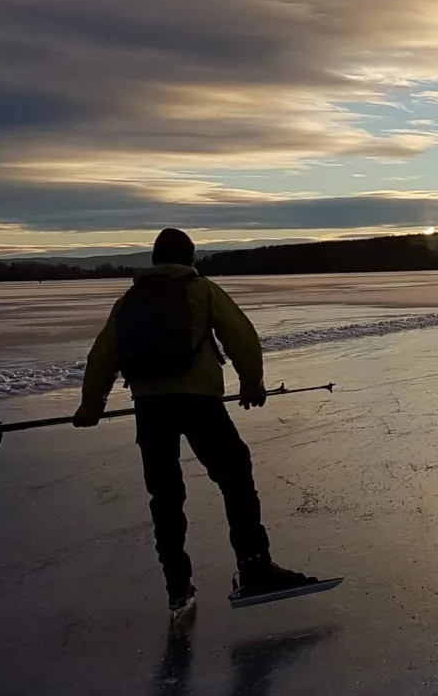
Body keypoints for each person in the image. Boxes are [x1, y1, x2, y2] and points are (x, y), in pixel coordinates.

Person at [74, 228, 321, 612]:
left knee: (165, 494)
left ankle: (177, 582)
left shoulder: (129, 300)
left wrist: (91, 407)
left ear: (154, 260)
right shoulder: (201, 290)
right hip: (199, 401)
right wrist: (251, 384)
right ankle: (254, 567)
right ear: (191, 258)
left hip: (150, 407)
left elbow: (102, 355)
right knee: (235, 476)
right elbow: (242, 336)